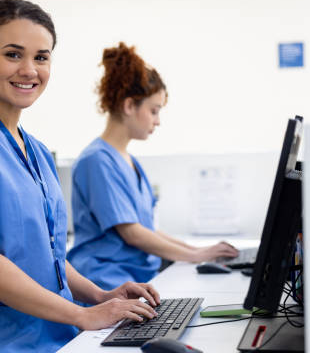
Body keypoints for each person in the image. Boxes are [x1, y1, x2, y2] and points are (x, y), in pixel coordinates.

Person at [0, 0, 160, 353]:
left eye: (42, 57)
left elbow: (46, 256)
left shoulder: (35, 150)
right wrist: (81, 315)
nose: (29, 70)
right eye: (13, 54)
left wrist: (98, 296)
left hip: (47, 335)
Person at [67, 42, 239, 291]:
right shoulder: (96, 161)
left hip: (136, 278)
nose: (157, 121)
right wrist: (194, 256)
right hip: (106, 283)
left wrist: (197, 251)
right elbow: (133, 233)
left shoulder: (128, 160)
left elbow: (149, 229)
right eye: (154, 111)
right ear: (129, 106)